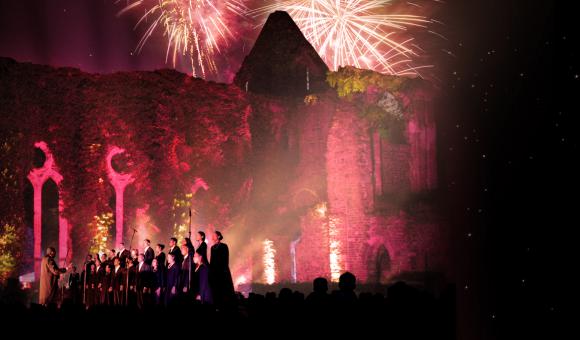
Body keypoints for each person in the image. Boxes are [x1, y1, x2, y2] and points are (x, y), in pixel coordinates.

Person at [209, 231, 234, 306]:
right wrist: (211, 270)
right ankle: (216, 304)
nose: (212, 236)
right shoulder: (212, 247)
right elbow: (212, 260)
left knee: (223, 288)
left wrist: (224, 270)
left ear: (219, 236)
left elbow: (225, 259)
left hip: (222, 271)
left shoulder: (224, 246)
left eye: (214, 235)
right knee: (215, 289)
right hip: (214, 271)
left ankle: (225, 304)